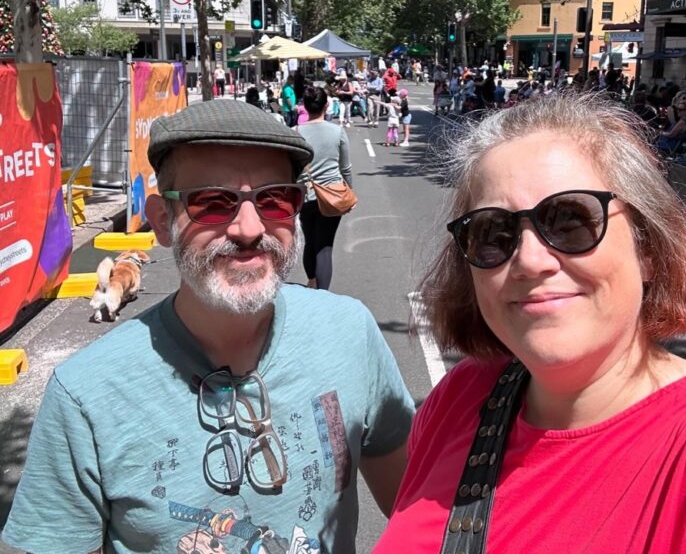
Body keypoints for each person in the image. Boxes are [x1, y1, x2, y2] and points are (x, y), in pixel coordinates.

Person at [4, 99, 414, 554]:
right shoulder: (85, 394)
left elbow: (417, 511)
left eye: (274, 199)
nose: (248, 228)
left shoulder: (349, 333)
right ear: (162, 220)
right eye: (213, 203)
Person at [373, 94, 686, 554]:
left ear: (648, 249)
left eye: (569, 221)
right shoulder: (459, 397)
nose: (529, 261)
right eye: (493, 233)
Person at [296, 86, 354, 289]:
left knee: (310, 241)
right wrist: (350, 192)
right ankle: (322, 293)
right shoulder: (337, 131)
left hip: (306, 196)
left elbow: (291, 168)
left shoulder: (296, 133)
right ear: (327, 106)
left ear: (304, 106)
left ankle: (311, 280)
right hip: (333, 195)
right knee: (325, 246)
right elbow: (345, 168)